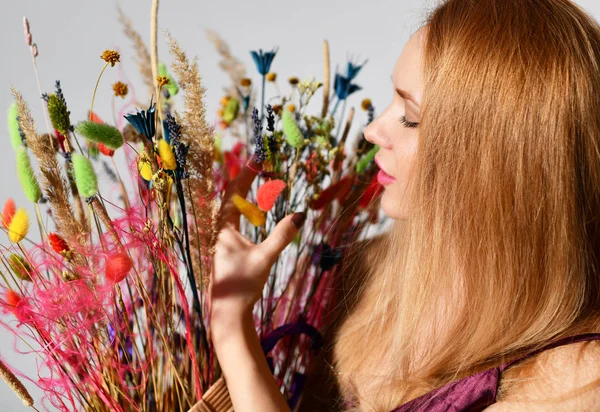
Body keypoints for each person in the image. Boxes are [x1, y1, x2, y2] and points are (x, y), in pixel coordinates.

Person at [208, 0, 600, 410]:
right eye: (391, 101)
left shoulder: (575, 380)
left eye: (410, 117)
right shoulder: (361, 274)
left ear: (496, 161)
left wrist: (233, 331)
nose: (373, 130)